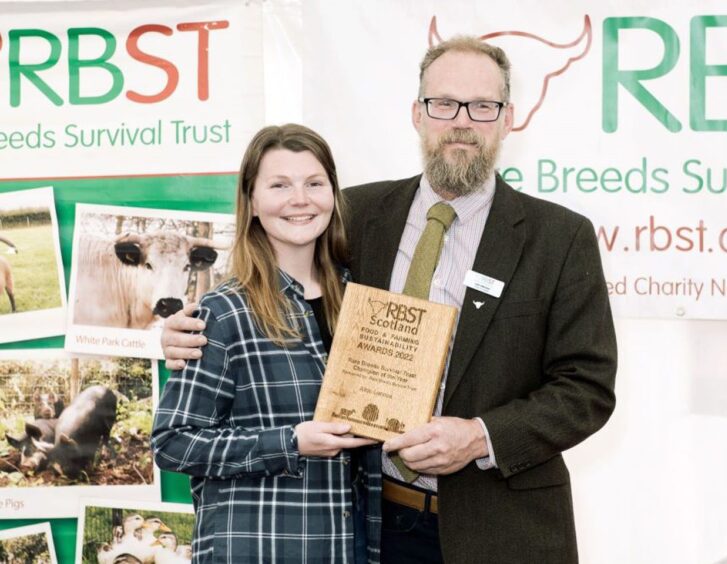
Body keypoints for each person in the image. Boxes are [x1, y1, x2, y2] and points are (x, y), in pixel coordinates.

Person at [162, 36, 617, 563]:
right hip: (372, 524)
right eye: (443, 104)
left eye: (483, 106)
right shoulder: (356, 214)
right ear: (417, 114)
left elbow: (587, 388)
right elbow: (274, 275)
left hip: (504, 530)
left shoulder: (559, 237)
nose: (461, 121)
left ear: (508, 118)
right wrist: (191, 326)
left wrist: (478, 436)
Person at [151, 124, 382, 563]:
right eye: (280, 185)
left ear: (333, 194)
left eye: (314, 183)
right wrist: (290, 442)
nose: (300, 199)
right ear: (253, 202)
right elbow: (172, 441)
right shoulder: (224, 312)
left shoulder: (359, 304)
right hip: (259, 547)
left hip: (347, 546)